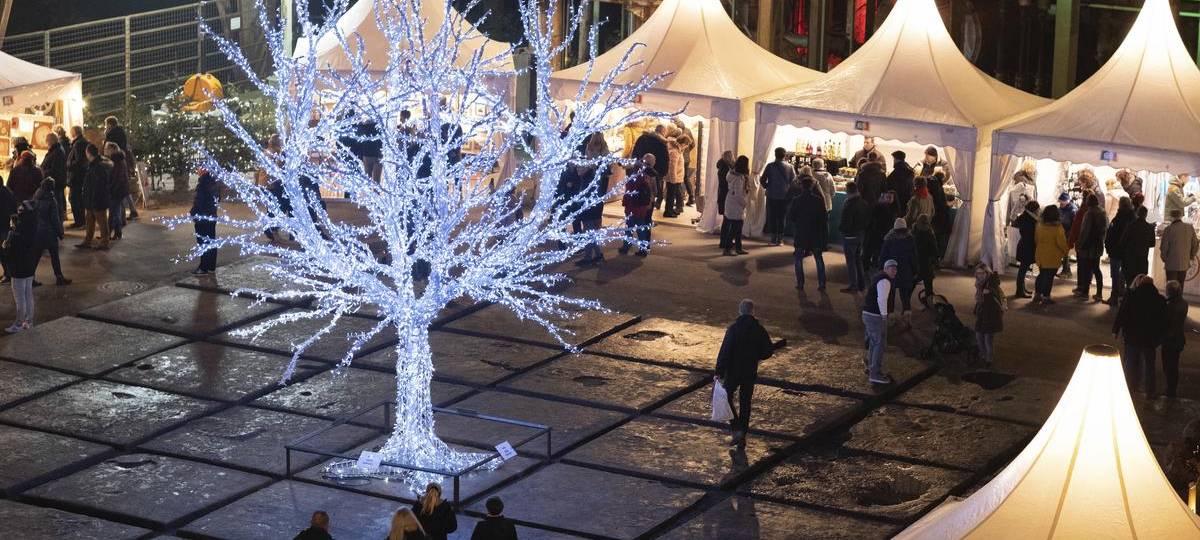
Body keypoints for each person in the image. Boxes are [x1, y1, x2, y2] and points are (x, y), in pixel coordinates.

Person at [714, 298, 774, 449]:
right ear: (753, 311)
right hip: (749, 371)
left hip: (733, 370)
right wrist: (756, 356)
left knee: (726, 397)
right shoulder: (759, 329)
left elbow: (725, 351)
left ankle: (736, 428)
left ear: (740, 311)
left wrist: (719, 371)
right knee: (745, 402)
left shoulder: (734, 329)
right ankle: (742, 433)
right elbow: (768, 351)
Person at [1113, 275, 1166, 396]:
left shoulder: (1132, 297)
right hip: (1150, 340)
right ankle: (1150, 391)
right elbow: (1163, 321)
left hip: (1132, 338)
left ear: (1140, 284)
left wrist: (1116, 330)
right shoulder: (1160, 300)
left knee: (1130, 364)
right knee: (1149, 367)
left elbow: (1123, 314)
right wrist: (1159, 338)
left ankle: (1129, 389)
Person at [576, 134, 612, 266]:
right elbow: (580, 171)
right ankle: (597, 255)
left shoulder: (600, 164)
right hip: (593, 197)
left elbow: (580, 172)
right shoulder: (603, 163)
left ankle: (589, 257)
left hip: (591, 197)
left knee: (589, 228)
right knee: (591, 229)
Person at [787, 176, 828, 290]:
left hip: (801, 232)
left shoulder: (796, 200)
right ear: (812, 186)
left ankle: (800, 283)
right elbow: (824, 218)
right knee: (818, 259)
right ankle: (822, 283)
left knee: (798, 259)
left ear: (801, 186)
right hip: (815, 233)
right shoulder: (818, 200)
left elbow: (791, 216)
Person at [863, 260, 899, 385]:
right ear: (885, 269)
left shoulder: (879, 278)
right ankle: (875, 374)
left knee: (874, 343)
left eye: (895, 269)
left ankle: (871, 367)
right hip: (875, 316)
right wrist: (884, 316)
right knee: (879, 344)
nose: (894, 271)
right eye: (891, 269)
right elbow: (882, 299)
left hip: (868, 314)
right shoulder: (885, 281)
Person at [4, 203, 38, 332]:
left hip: (18, 268)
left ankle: (18, 324)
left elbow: (9, 253)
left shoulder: (15, 234)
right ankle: (29, 321)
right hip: (29, 267)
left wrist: (5, 245)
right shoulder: (33, 227)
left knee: (20, 297)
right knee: (28, 294)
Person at [75, 143, 112, 251]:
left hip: (97, 199)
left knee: (102, 221)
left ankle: (104, 242)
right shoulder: (94, 164)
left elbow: (98, 185)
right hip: (92, 198)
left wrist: (94, 198)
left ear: (88, 153)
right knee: (90, 221)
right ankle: (88, 240)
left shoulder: (98, 166)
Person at [879, 218, 917, 321]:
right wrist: (915, 271)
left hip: (891, 271)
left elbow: (883, 256)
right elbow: (914, 257)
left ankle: (891, 315)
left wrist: (881, 269)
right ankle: (907, 314)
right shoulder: (910, 240)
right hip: (906, 271)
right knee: (905, 295)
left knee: (890, 294)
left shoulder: (889, 239)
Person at [618, 154, 656, 257]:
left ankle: (627, 246)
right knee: (640, 228)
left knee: (629, 228)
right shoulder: (648, 176)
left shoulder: (635, 177)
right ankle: (643, 248)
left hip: (632, 205)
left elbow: (629, 191)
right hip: (641, 206)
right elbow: (654, 191)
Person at [33, 179, 69, 285]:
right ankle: (59, 277)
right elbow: (55, 220)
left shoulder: (36, 198)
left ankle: (30, 278)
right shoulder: (51, 200)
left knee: (35, 257)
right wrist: (60, 233)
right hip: (49, 233)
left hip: (38, 232)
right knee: (54, 256)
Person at [103, 115, 139, 220]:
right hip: (123, 160)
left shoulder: (112, 134)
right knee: (125, 188)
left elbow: (108, 146)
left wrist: (106, 136)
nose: (105, 127)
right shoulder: (121, 132)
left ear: (109, 124)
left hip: (116, 162)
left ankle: (121, 216)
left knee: (119, 189)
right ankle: (131, 210)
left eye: (106, 125)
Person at [1073, 193, 1107, 302]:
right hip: (1098, 244)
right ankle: (1099, 293)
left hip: (1089, 246)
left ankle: (1085, 292)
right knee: (1096, 269)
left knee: (1086, 269)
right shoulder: (1102, 212)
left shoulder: (1089, 213)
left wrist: (1080, 243)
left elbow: (1085, 231)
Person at [760, 147, 796, 245]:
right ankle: (780, 239)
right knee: (782, 217)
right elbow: (794, 182)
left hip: (771, 195)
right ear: (785, 155)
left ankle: (773, 239)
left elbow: (762, 180)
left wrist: (767, 186)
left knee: (772, 217)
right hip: (784, 196)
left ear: (775, 155)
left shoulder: (770, 166)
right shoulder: (790, 167)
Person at [1033, 205, 1068, 305]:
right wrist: (1066, 251)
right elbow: (1061, 243)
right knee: (1049, 277)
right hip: (1052, 256)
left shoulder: (1039, 225)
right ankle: (1046, 297)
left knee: (1041, 275)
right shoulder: (1057, 228)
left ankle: (1037, 294)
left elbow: (1036, 239)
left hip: (1041, 254)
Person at [839, 181, 870, 292]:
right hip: (860, 234)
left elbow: (845, 222)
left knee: (851, 262)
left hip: (850, 236)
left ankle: (853, 285)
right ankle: (861, 284)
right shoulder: (864, 203)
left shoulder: (849, 205)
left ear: (848, 191)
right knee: (858, 260)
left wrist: (842, 230)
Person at [973, 263, 1005, 368]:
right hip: (983, 315)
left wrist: (988, 293)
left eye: (982, 273)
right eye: (978, 273)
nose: (979, 275)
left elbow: (991, 301)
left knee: (988, 339)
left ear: (987, 273)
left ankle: (988, 360)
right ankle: (983, 356)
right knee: (979, 336)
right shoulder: (981, 283)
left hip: (991, 316)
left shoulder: (990, 285)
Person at [629, 125, 669, 208]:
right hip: (654, 171)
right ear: (662, 132)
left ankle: (638, 210)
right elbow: (664, 159)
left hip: (640, 168)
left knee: (638, 190)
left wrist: (635, 164)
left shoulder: (642, 138)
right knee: (651, 193)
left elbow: (635, 153)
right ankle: (648, 210)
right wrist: (663, 172)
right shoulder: (661, 142)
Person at [1104, 197, 1134, 305]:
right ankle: (1123, 295)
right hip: (1127, 252)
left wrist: (1108, 248)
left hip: (1116, 252)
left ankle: (1114, 297)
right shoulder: (1133, 218)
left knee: (1115, 275)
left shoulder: (1118, 219)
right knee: (1124, 275)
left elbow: (1110, 235)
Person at [190, 169, 220, 275]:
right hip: (212, 216)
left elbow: (199, 201)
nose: (198, 170)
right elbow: (217, 199)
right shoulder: (214, 182)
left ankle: (203, 267)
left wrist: (193, 212)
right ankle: (211, 266)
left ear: (204, 170)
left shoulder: (203, 183)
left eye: (200, 168)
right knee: (211, 241)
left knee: (203, 243)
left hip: (202, 217)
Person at [1162, 280, 1188, 398]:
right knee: (1174, 365)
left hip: (1170, 340)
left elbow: (1166, 322)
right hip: (1179, 339)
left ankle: (1170, 389)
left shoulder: (1169, 305)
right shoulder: (1184, 303)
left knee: (1168, 366)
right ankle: (1172, 388)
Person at [721, 156, 750, 256]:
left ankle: (738, 247)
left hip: (731, 202)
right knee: (735, 229)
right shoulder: (739, 178)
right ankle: (728, 249)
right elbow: (738, 194)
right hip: (736, 205)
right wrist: (745, 203)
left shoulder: (733, 174)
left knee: (737, 228)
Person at [1120, 206, 1155, 289]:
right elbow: (1152, 244)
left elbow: (1123, 242)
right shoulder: (1150, 228)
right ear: (1146, 215)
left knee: (1129, 283)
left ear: (1137, 213)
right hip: (1142, 259)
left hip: (1130, 259)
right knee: (1140, 284)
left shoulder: (1130, 226)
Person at [1161, 209, 1199, 285]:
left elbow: (1164, 247)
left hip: (1171, 262)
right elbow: (1195, 243)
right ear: (1181, 216)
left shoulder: (1168, 229)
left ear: (1171, 217)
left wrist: (1164, 258)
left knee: (1171, 285)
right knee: (1180, 284)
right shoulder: (1189, 227)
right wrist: (1191, 256)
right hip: (1184, 261)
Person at [863, 191, 897, 272]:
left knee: (871, 250)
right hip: (881, 233)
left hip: (876, 233)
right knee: (876, 251)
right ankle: (872, 266)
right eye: (887, 197)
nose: (888, 199)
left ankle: (867, 267)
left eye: (890, 197)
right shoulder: (893, 209)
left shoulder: (878, 206)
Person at [1013, 200, 1039, 298]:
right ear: (1033, 209)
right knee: (1023, 270)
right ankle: (1020, 291)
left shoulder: (1025, 216)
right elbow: (1030, 234)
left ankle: (1022, 289)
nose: (1038, 211)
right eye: (1037, 209)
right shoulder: (1029, 219)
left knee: (1023, 269)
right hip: (1027, 247)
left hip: (1025, 245)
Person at [40, 132, 67, 221]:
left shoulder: (57, 152)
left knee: (56, 205)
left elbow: (55, 170)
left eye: (47, 141)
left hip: (56, 183)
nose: (46, 143)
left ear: (51, 141)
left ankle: (58, 224)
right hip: (56, 182)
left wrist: (42, 172)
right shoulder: (55, 150)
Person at [106, 142, 130, 241]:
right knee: (114, 212)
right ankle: (111, 233)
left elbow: (116, 177)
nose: (106, 151)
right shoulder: (119, 159)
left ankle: (115, 233)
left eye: (107, 149)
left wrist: (111, 188)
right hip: (119, 189)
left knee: (114, 212)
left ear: (112, 149)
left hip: (117, 190)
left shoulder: (116, 161)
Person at [66, 126, 89, 228]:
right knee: (78, 198)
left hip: (77, 175)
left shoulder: (78, 144)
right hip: (81, 175)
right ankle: (80, 221)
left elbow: (79, 160)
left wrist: (69, 165)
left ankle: (79, 221)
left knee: (74, 198)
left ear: (74, 132)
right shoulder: (83, 142)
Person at [912, 214, 938, 298]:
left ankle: (906, 300)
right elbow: (934, 248)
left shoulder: (914, 232)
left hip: (916, 261)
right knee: (928, 284)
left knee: (912, 282)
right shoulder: (929, 232)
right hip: (927, 262)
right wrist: (935, 260)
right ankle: (929, 299)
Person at [929, 170, 952, 259]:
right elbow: (940, 200)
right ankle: (940, 255)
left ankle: (936, 255)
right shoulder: (937, 186)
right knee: (940, 236)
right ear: (942, 178)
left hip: (935, 214)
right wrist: (947, 205)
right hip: (940, 214)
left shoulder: (933, 184)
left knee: (937, 235)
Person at [663, 132, 685, 217]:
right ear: (683, 143)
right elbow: (672, 167)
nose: (686, 147)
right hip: (673, 178)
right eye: (686, 145)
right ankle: (668, 212)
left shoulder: (678, 151)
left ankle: (670, 210)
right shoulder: (674, 152)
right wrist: (673, 179)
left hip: (676, 177)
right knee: (670, 195)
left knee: (672, 195)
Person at [1056, 193, 1077, 278]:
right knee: (1063, 253)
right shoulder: (1060, 209)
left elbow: (1074, 224)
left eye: (1062, 202)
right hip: (1062, 233)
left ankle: (1066, 271)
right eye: (1060, 202)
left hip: (1068, 234)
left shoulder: (1073, 210)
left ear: (1067, 201)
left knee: (1065, 253)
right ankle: (1065, 270)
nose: (1060, 204)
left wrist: (1071, 235)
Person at [716, 150, 733, 217]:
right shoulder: (726, 168)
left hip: (722, 190)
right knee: (726, 211)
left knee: (724, 211)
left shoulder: (722, 166)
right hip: (726, 190)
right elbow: (727, 180)